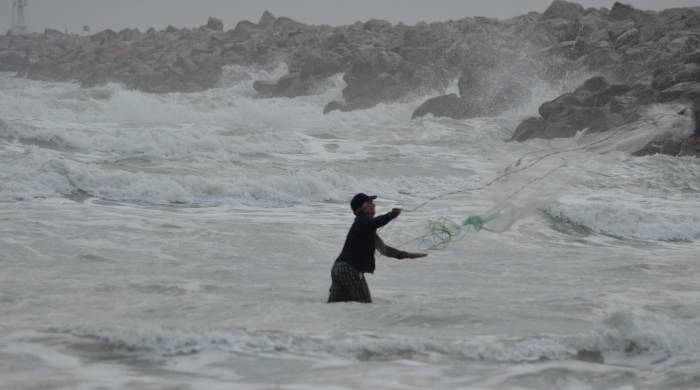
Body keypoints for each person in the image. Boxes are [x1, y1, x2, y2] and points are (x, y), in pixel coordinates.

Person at [327, 193, 427, 303]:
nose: (374, 205)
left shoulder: (364, 228)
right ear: (363, 208)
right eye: (370, 203)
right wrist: (391, 215)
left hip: (338, 269)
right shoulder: (362, 221)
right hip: (350, 270)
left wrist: (408, 255)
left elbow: (385, 250)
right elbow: (377, 222)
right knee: (365, 306)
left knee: (335, 306)